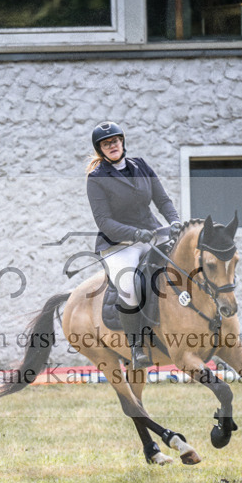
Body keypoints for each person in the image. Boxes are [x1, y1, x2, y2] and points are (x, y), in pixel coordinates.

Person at [85, 121, 182, 369]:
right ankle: (136, 346)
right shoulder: (96, 179)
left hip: (152, 232)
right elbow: (104, 221)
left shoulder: (141, 166)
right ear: (101, 150)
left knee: (183, 265)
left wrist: (175, 221)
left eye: (115, 141)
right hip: (119, 243)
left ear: (122, 142)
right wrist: (134, 233)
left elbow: (162, 200)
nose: (112, 146)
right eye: (106, 144)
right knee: (129, 286)